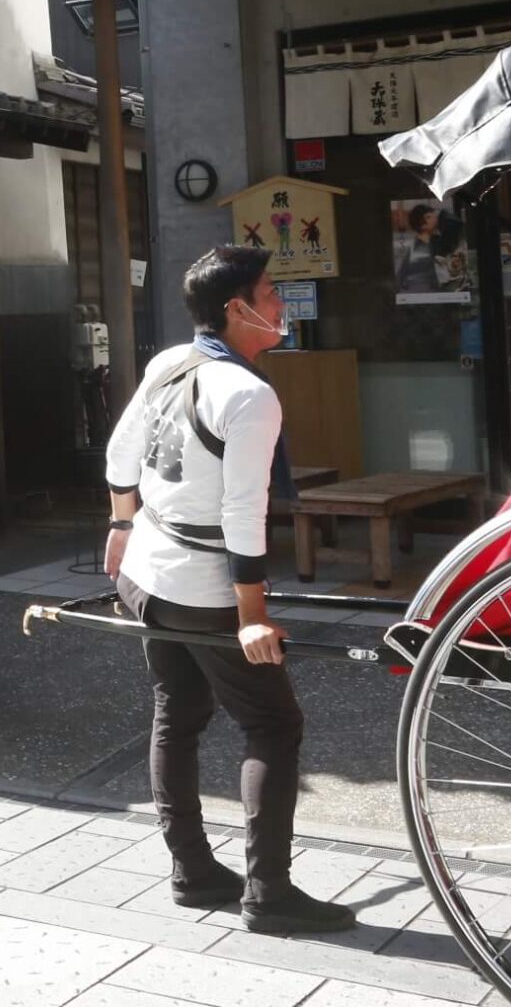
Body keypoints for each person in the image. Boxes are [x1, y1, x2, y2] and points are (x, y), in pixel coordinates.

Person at [103, 244, 357, 935]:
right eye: (270, 292)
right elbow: (244, 512)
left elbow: (120, 456)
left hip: (146, 573)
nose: (280, 303)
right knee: (272, 724)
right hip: (201, 586)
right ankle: (269, 892)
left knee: (177, 712)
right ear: (236, 308)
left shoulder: (168, 363)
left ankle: (192, 871)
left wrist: (122, 526)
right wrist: (252, 613)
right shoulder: (248, 394)